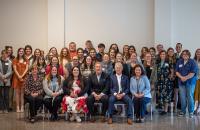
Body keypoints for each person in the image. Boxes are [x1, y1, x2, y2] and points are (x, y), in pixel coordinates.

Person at [176, 50, 198, 118]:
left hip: (190, 82)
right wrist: (181, 77)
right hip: (181, 82)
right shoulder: (179, 61)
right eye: (183, 54)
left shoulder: (193, 62)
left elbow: (193, 73)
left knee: (190, 97)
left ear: (189, 55)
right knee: (182, 97)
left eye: (186, 54)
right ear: (182, 55)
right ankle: (183, 111)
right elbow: (176, 71)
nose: (185, 55)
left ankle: (191, 112)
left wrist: (185, 78)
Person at [151, 50, 173, 115]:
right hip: (159, 82)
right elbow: (155, 73)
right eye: (161, 54)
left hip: (167, 82)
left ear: (166, 55)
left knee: (166, 96)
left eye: (164, 54)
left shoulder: (169, 62)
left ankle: (165, 110)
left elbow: (172, 71)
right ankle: (163, 109)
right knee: (161, 96)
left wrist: (171, 76)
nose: (162, 55)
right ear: (159, 55)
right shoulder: (157, 63)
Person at [12, 48, 29, 112]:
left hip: (24, 77)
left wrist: (22, 76)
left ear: (23, 52)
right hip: (16, 78)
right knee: (17, 93)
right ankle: (17, 107)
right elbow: (14, 69)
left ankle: (22, 107)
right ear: (18, 52)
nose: (21, 52)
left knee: (22, 93)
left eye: (22, 51)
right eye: (20, 51)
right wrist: (19, 76)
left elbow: (27, 69)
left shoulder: (26, 59)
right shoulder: (15, 60)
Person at [194, 48, 200, 114]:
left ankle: (199, 108)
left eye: (199, 52)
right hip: (195, 79)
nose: (198, 53)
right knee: (195, 94)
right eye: (197, 52)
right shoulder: (193, 61)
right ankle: (195, 108)